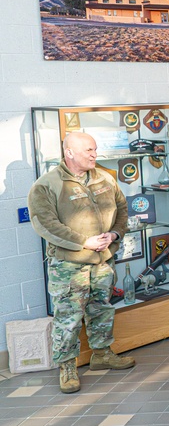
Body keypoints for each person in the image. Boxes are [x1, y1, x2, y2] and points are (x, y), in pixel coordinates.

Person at [27, 131, 135, 394]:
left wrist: (115, 234)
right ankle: (66, 367)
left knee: (101, 308)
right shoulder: (47, 185)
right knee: (68, 317)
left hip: (101, 261)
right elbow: (45, 224)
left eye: (95, 149)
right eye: (88, 150)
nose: (94, 154)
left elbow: (122, 209)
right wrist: (83, 242)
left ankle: (101, 354)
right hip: (69, 265)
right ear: (69, 152)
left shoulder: (105, 178)